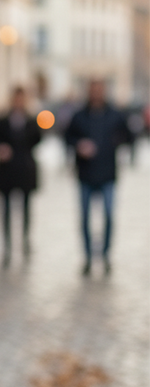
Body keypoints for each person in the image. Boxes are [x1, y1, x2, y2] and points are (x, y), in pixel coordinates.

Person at [65, 78, 133, 274]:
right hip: (85, 174)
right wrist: (79, 146)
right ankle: (87, 256)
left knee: (109, 216)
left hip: (108, 174)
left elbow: (128, 136)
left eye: (99, 89)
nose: (96, 93)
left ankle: (105, 254)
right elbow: (68, 137)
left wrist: (113, 142)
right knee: (85, 217)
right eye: (93, 89)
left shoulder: (115, 115)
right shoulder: (79, 116)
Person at [0, 85, 42, 266]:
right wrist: (0, 149)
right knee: (5, 210)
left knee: (26, 209)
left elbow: (38, 139)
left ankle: (25, 240)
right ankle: (7, 245)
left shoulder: (31, 120)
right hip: (7, 171)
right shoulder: (2, 121)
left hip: (25, 171)